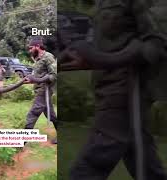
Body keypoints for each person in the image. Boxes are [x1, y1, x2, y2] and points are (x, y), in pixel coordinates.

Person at [62, 0, 167, 179]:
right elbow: (105, 45)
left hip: (126, 91)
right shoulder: (100, 5)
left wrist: (116, 58)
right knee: (144, 162)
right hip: (106, 87)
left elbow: (155, 44)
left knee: (93, 162)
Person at [24, 37, 58, 144]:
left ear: (37, 46)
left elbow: (54, 75)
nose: (30, 51)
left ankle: (21, 142)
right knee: (50, 115)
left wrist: (37, 79)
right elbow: (38, 76)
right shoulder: (38, 59)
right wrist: (30, 80)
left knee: (32, 114)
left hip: (45, 90)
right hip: (40, 90)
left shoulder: (48, 57)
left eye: (31, 48)